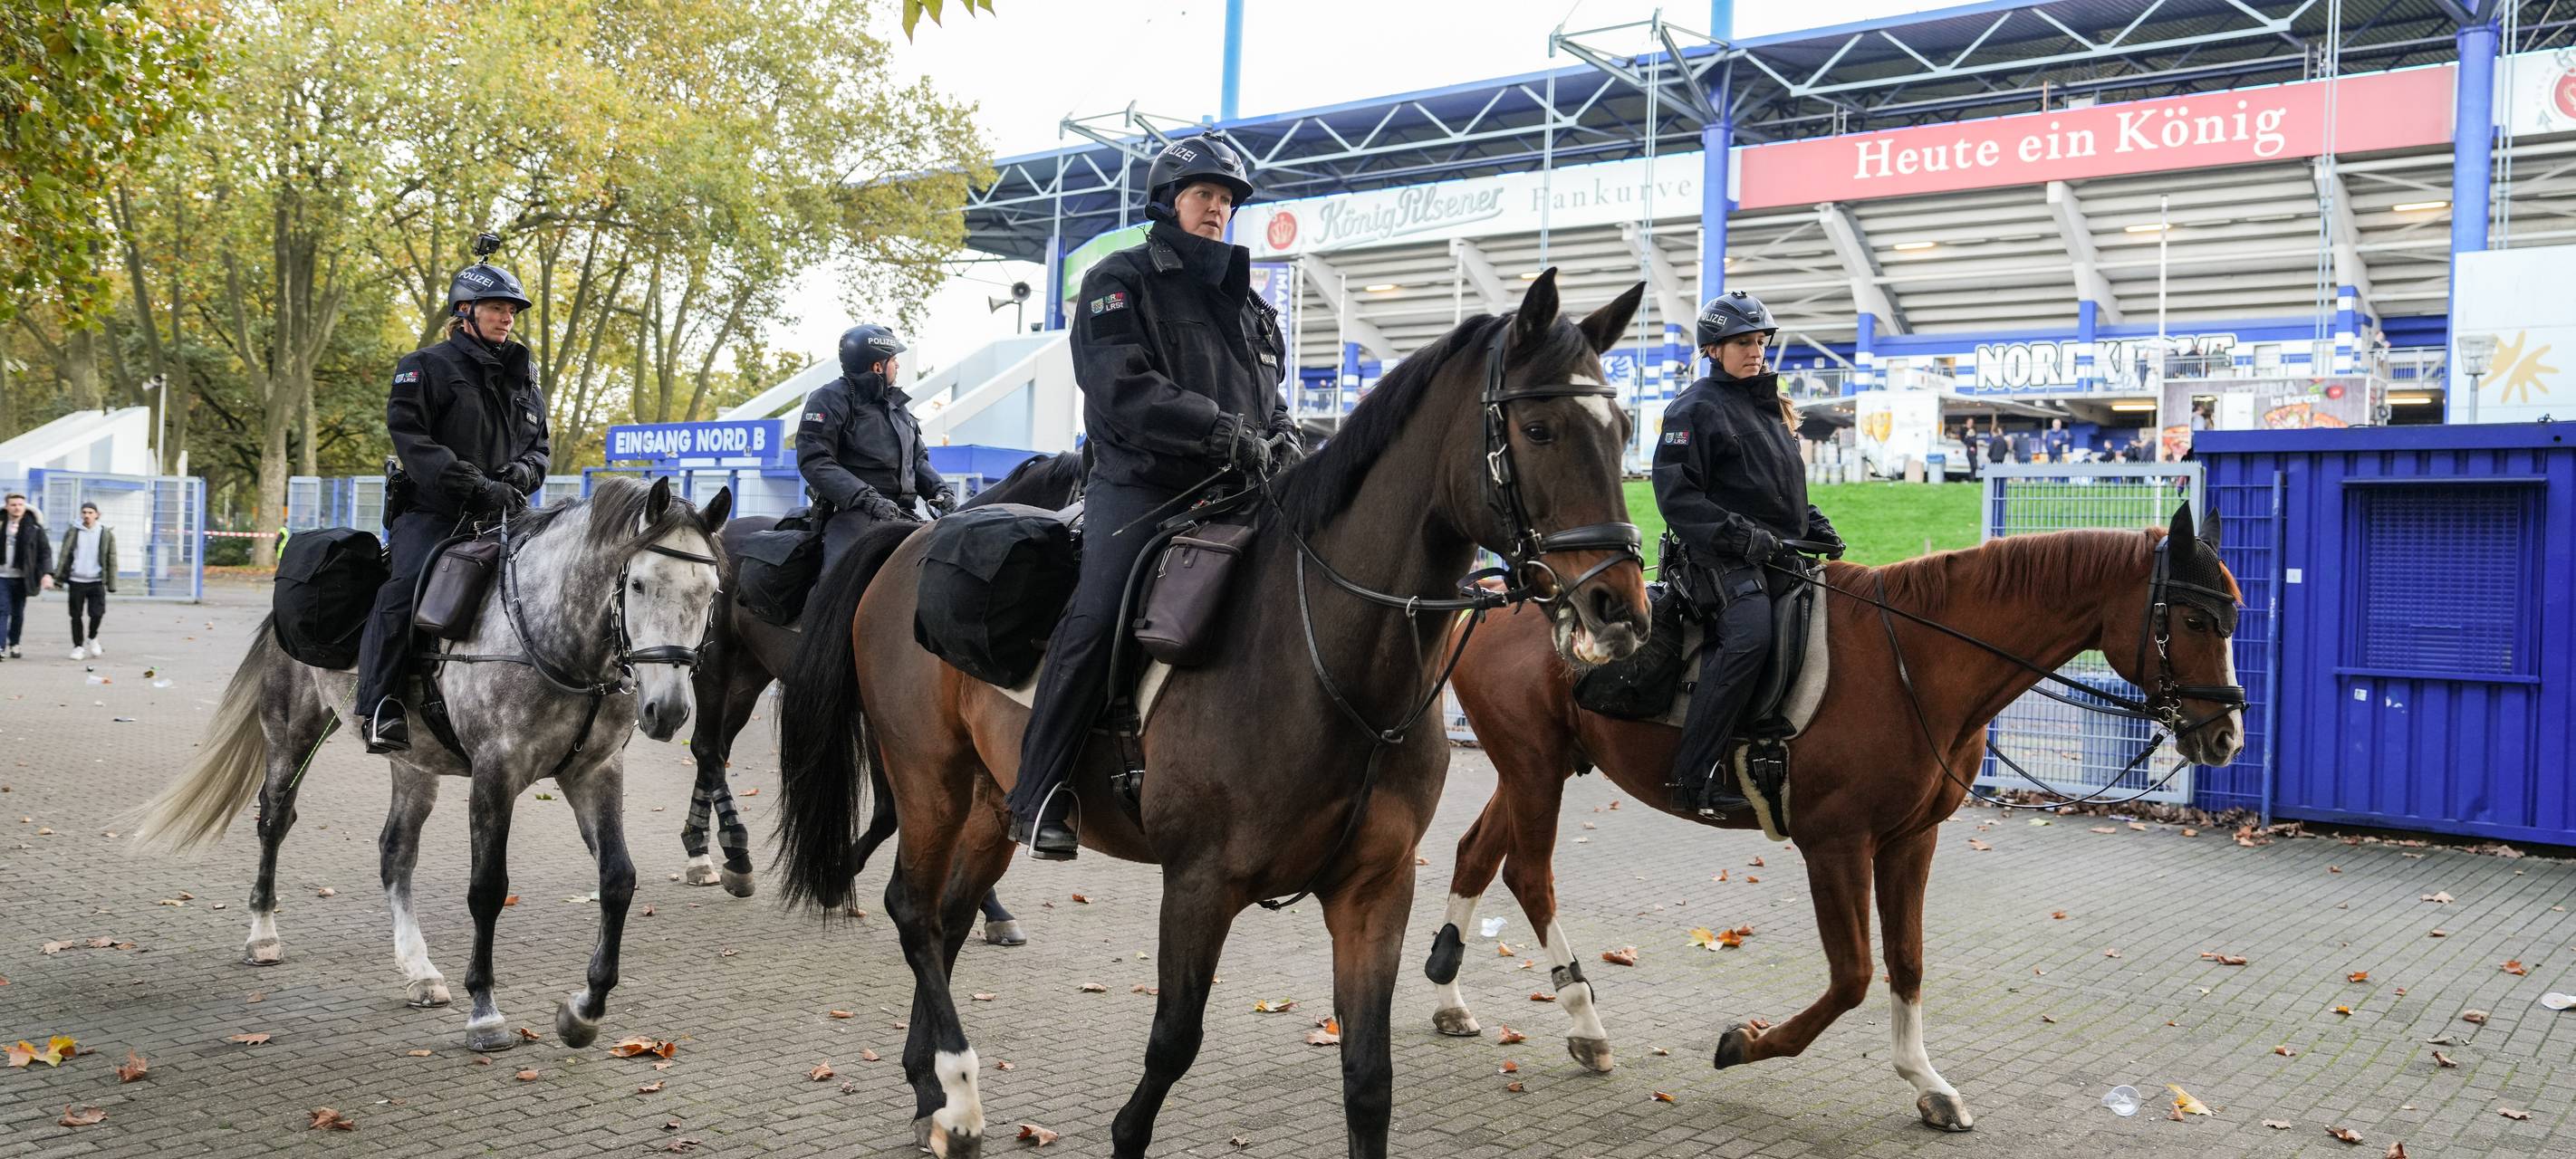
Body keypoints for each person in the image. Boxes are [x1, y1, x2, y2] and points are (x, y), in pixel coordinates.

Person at [1008, 130, 1297, 860]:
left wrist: (1285, 439)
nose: (1217, 210)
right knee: (1098, 614)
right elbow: (1122, 389)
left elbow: (1273, 401)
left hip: (1238, 492)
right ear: (1168, 202)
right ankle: (1037, 792)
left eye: (1227, 200)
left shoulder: (1252, 308)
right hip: (1141, 486)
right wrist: (1222, 431)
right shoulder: (1119, 280)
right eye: (1204, 194)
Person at [351, 250, 552, 753]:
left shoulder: (524, 378)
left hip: (507, 512)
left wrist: (521, 475)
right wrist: (475, 485)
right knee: (404, 590)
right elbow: (412, 438)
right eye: (496, 308)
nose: (508, 318)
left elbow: (541, 447)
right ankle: (380, 706)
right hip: (435, 511)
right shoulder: (424, 367)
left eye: (512, 311)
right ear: (464, 311)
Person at [1652, 290, 1843, 818]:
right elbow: (1677, 498)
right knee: (1749, 636)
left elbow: (1772, 487)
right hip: (1716, 558)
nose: (1755, 350)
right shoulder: (1691, 409)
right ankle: (1693, 777)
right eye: (1742, 342)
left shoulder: (1768, 407)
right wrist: (1744, 538)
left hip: (1776, 553)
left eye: (1760, 341)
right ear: (1713, 349)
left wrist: (1812, 523)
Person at [796, 322, 952, 577]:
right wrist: (867, 499)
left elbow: (918, 461)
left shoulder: (898, 408)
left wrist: (941, 492)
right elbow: (815, 460)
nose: (898, 366)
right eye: (894, 360)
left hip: (902, 514)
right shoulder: (830, 399)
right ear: (877, 366)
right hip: (852, 516)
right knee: (839, 581)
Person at [55, 501, 115, 659]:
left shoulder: (105, 533)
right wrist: (59, 578)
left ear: (97, 514)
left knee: (97, 613)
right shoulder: (73, 532)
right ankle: (78, 646)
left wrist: (112, 582)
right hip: (76, 580)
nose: (87, 515)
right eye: (84, 512)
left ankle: (92, 637)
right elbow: (64, 556)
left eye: (90, 512)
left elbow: (111, 558)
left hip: (96, 581)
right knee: (75, 615)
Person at [0, 493, 53, 660]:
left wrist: (47, 574)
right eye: (13, 504)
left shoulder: (34, 528)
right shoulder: (1, 524)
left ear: (25, 507)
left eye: (20, 504)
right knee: (2, 610)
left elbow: (45, 552)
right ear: (7, 506)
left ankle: (15, 643)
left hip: (23, 578)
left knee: (18, 613)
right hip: (2, 576)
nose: (17, 507)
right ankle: (0, 647)